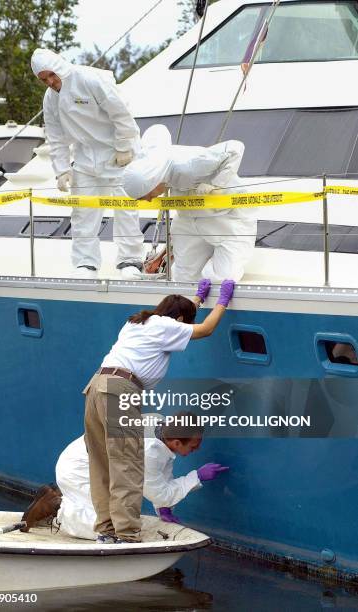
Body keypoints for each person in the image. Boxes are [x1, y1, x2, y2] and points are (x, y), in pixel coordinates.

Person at [83, 277, 234, 544]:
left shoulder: (137, 322)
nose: (185, 329)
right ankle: (127, 536)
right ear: (178, 318)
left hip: (96, 387)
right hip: (121, 391)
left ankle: (106, 532)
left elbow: (176, 317)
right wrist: (223, 301)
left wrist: (197, 299)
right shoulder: (167, 325)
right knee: (127, 465)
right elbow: (205, 329)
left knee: (102, 464)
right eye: (186, 321)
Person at [30, 48, 144, 279]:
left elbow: (121, 113)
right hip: (84, 157)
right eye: (43, 79)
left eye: (52, 75)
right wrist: (61, 169)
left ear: (59, 67)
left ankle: (130, 261)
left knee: (126, 208)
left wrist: (123, 147)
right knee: (82, 211)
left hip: (118, 154)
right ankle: (85, 264)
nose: (50, 82)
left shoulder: (90, 79)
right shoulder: (50, 99)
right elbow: (55, 135)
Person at [20, 413, 229, 538]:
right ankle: (58, 507)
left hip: (90, 464)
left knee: (123, 517)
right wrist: (197, 476)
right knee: (110, 530)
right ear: (176, 443)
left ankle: (62, 496)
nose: (196, 450)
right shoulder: (149, 450)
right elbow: (159, 489)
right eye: (193, 447)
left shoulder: (161, 425)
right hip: (80, 471)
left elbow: (159, 474)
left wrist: (163, 510)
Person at [123, 124, 257, 283]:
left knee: (221, 279)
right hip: (189, 219)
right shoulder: (155, 165)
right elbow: (156, 133)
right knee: (183, 279)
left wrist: (217, 184)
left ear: (152, 182)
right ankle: (188, 304)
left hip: (229, 219)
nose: (149, 200)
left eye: (146, 195)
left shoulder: (190, 164)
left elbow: (235, 148)